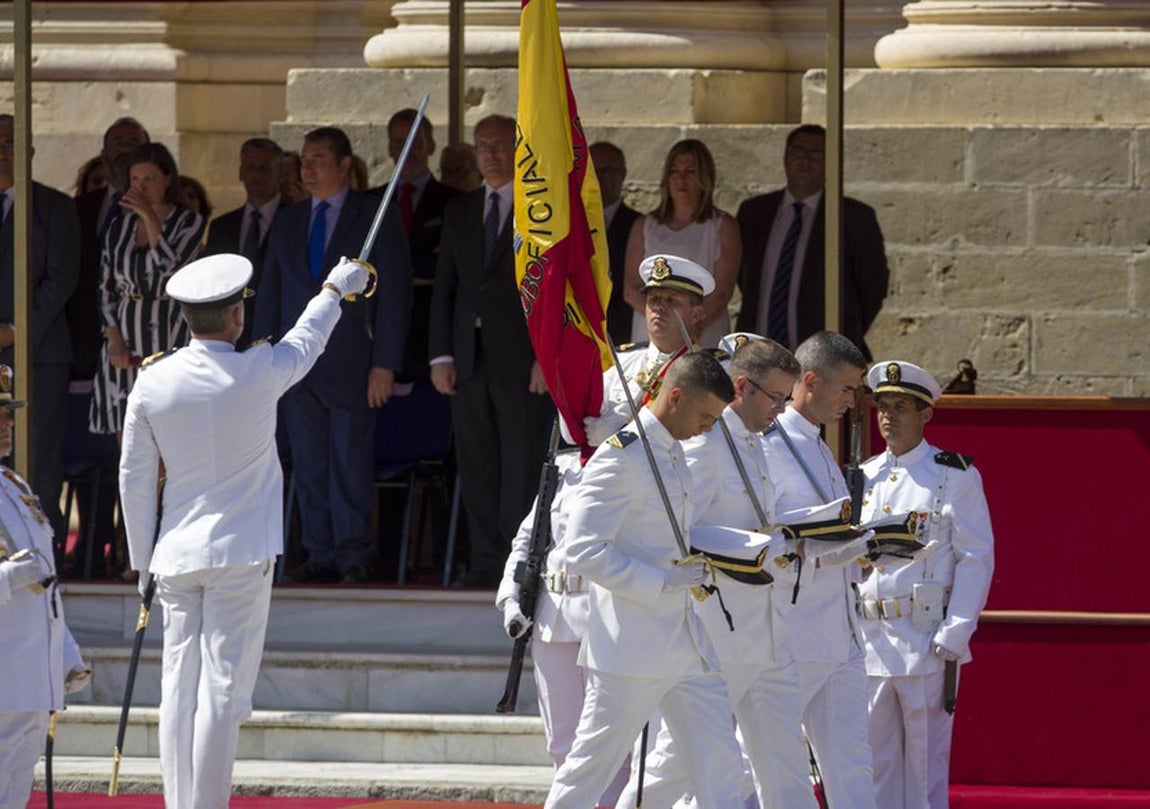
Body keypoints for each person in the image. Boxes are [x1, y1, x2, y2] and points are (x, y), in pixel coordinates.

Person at [119, 252, 371, 809]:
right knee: (221, 690)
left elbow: (133, 481)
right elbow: (308, 339)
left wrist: (141, 564)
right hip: (241, 552)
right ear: (237, 316)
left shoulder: (152, 381)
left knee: (177, 688)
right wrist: (335, 288)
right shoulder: (258, 370)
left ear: (186, 318)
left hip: (174, 554)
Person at [614, 335, 816, 809]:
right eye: (776, 398)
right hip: (721, 631)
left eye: (786, 399)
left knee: (787, 760)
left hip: (767, 630)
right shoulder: (706, 446)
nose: (781, 410)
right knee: (677, 764)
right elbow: (678, 532)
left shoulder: (754, 443)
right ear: (742, 387)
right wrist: (746, 546)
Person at [543, 350, 746, 808]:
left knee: (721, 764)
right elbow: (581, 550)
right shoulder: (622, 457)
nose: (708, 429)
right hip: (631, 647)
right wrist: (661, 581)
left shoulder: (672, 452)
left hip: (687, 641)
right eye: (705, 416)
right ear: (675, 397)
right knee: (589, 769)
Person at [253, 126, 412, 584]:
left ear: (344, 165)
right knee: (309, 463)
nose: (307, 168)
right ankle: (318, 552)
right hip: (294, 365)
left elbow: (395, 294)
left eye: (318, 159)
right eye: (304, 160)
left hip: (352, 363)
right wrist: (263, 356)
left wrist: (384, 363)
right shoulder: (289, 219)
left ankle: (352, 554)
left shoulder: (372, 215)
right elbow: (271, 291)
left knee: (349, 461)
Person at [857, 360, 994, 809]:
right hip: (870, 638)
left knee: (924, 767)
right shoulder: (863, 476)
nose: (888, 416)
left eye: (900, 407)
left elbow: (975, 557)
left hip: (924, 638)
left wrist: (957, 631)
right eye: (882, 407)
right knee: (874, 766)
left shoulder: (953, 475)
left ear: (925, 414)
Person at [429, 114, 551, 588]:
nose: (491, 154)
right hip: (468, 357)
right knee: (476, 461)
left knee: (520, 461)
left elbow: (552, 290)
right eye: (483, 146)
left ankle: (518, 562)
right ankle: (484, 561)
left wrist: (546, 356)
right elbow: (446, 286)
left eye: (501, 145)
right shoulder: (461, 209)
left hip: (521, 360)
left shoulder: (540, 208)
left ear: (519, 150)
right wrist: (441, 354)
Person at [761, 330, 877, 809]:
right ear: (810, 381)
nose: (852, 402)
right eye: (846, 389)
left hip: (841, 631)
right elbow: (768, 534)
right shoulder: (769, 444)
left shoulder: (819, 445)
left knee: (853, 764)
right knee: (766, 760)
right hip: (797, 629)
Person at [495, 446, 631, 808]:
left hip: (607, 616)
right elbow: (528, 540)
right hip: (553, 615)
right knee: (562, 742)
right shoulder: (561, 469)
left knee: (610, 744)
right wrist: (511, 597)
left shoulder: (633, 462)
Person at [0, 364, 89, 809]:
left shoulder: (13, 486)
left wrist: (65, 654)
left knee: (17, 790)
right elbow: (24, 574)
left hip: (30, 675)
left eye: (8, 416)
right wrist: (9, 576)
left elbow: (46, 584)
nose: (7, 424)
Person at [735, 124, 889, 360]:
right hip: (758, 356)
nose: (805, 160)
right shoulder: (754, 213)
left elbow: (872, 286)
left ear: (831, 164)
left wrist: (843, 336)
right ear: (785, 157)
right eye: (798, 151)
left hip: (825, 360)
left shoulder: (852, 217)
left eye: (817, 154)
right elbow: (743, 277)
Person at [0, 114, 82, 549]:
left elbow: (61, 278)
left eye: (10, 143)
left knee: (36, 458)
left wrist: (15, 331)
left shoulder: (54, 207)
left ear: (29, 152)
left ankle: (41, 555)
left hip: (38, 355)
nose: (2, 152)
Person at [90, 142, 205, 437]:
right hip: (123, 342)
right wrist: (114, 339)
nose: (140, 187)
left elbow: (169, 270)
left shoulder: (189, 223)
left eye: (149, 179)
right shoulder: (118, 227)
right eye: (135, 179)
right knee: (126, 430)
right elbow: (105, 287)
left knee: (165, 430)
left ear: (167, 179)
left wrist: (150, 218)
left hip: (169, 334)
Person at [580, 253, 710, 448]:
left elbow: (698, 444)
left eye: (671, 300)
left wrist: (622, 432)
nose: (659, 307)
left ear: (696, 314)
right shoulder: (620, 361)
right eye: (653, 299)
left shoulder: (709, 373)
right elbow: (576, 429)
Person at [622, 139, 740, 349]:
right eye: (674, 171)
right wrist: (663, 322)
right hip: (653, 332)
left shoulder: (722, 225)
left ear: (705, 177)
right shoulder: (644, 225)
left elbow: (722, 291)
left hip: (701, 331)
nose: (681, 179)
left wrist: (691, 326)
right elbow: (631, 289)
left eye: (690, 172)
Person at [371, 109, 459, 383]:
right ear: (389, 148)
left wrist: (391, 274)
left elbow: (448, 268)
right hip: (378, 340)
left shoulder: (455, 203)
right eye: (399, 142)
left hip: (432, 340)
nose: (407, 150)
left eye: (415, 142)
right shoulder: (370, 203)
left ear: (431, 146)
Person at [203, 137, 284, 347]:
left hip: (277, 334)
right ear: (241, 173)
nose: (257, 175)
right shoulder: (221, 226)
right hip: (229, 337)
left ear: (280, 172)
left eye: (264, 168)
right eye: (250, 167)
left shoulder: (294, 221)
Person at [589, 141, 640, 345]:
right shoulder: (566, 223)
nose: (599, 178)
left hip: (621, 336)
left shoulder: (638, 225)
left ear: (623, 174)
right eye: (593, 171)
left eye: (607, 171)